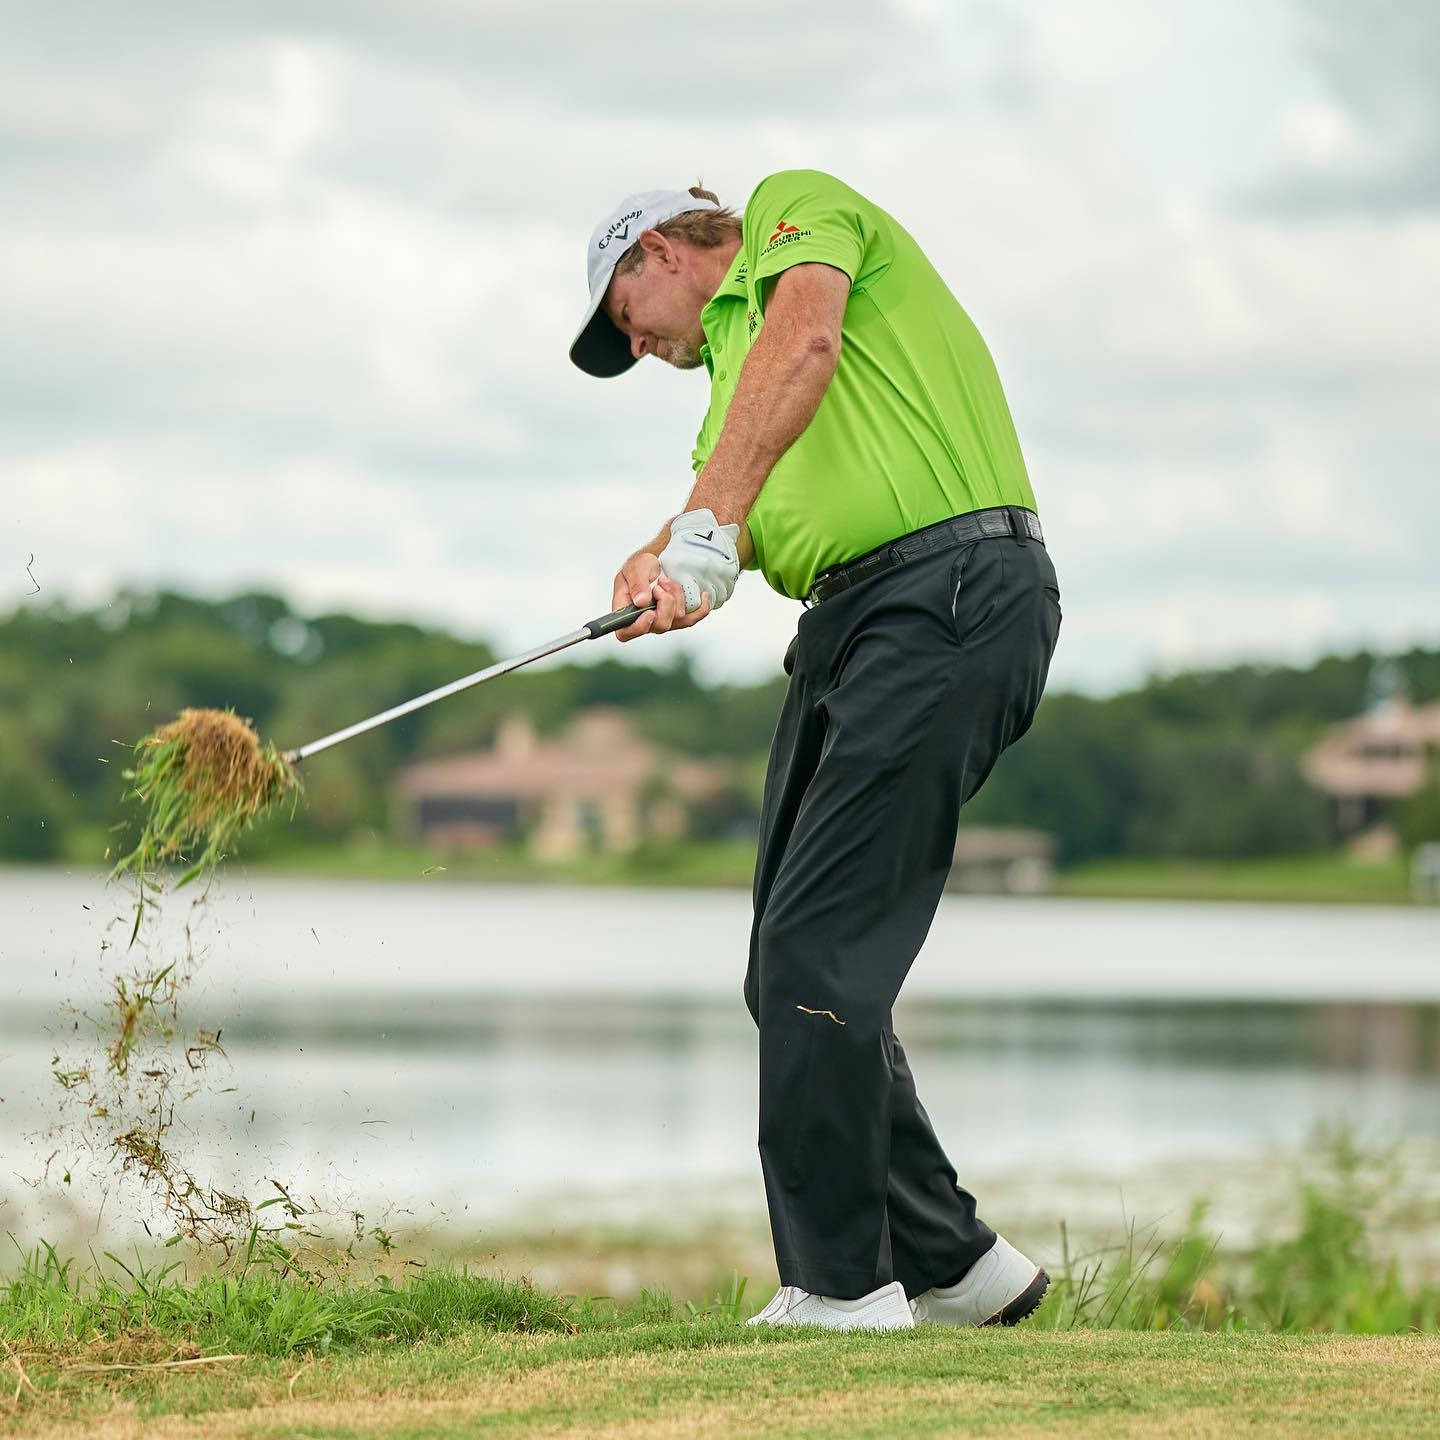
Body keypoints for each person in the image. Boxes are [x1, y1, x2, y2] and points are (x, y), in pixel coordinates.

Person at [569, 170, 1062, 1332]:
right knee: (781, 967)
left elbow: (809, 348)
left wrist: (705, 526)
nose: (633, 347)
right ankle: (951, 1264)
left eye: (622, 319)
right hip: (851, 624)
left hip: (946, 590)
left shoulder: (795, 217)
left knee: (817, 952)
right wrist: (663, 555)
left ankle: (842, 1289)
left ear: (663, 253)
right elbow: (732, 485)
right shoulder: (728, 395)